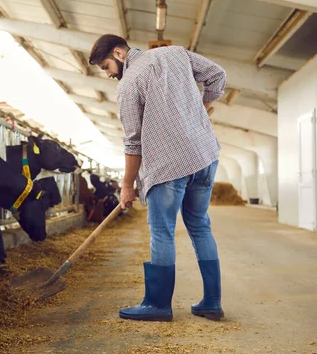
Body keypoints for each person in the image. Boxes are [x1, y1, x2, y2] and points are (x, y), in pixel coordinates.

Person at [88, 35, 226, 322]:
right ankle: (212, 302)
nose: (109, 74)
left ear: (118, 52)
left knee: (162, 232)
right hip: (204, 155)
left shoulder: (128, 85)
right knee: (200, 226)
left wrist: (127, 187)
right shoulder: (176, 53)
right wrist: (202, 109)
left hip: (168, 165)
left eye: (106, 66)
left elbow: (133, 143)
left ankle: (158, 304)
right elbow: (217, 75)